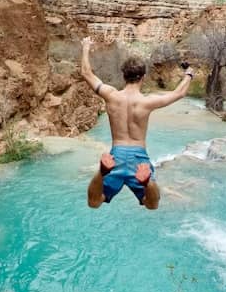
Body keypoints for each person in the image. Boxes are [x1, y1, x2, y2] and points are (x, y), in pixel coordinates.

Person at [80, 37, 195, 210]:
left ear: (123, 75)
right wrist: (189, 74)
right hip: (138, 157)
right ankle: (147, 182)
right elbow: (179, 93)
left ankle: (102, 172)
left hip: (116, 154)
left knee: (94, 202)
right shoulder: (147, 102)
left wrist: (86, 47)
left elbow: (86, 73)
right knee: (152, 204)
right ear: (143, 77)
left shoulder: (110, 95)